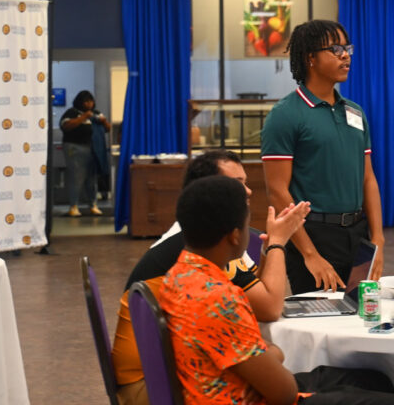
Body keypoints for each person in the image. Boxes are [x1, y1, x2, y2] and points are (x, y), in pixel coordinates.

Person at [162, 175, 394, 405]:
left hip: (222, 386)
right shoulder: (218, 298)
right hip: (249, 398)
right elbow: (284, 392)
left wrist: (270, 355)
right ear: (235, 236)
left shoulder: (178, 275)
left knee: (375, 380)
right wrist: (275, 353)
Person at [111, 150, 309, 405]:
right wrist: (279, 243)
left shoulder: (194, 238)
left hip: (158, 365)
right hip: (150, 382)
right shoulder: (207, 248)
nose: (248, 192)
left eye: (246, 183)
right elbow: (269, 308)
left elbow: (253, 302)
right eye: (236, 185)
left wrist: (266, 247)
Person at [261, 20, 386, 294]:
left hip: (357, 234)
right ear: (310, 58)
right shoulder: (285, 115)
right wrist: (309, 254)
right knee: (319, 319)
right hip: (313, 233)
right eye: (335, 49)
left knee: (358, 314)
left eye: (347, 48)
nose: (345, 55)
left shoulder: (354, 111)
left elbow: (368, 178)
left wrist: (377, 238)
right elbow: (278, 191)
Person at [58, 90, 110, 216]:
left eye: (91, 101)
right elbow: (66, 126)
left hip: (92, 149)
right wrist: (83, 117)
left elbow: (108, 129)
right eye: (86, 101)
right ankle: (73, 206)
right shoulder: (72, 112)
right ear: (80, 102)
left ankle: (93, 205)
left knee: (92, 179)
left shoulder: (96, 113)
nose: (89, 104)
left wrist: (103, 121)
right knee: (76, 178)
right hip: (75, 148)